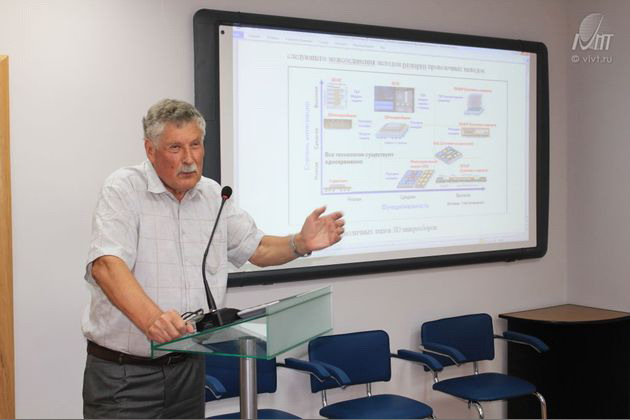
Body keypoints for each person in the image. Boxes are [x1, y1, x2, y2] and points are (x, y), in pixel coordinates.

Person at [81, 99, 345, 419]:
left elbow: (257, 248)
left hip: (188, 370)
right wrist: (153, 319)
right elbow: (107, 266)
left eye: (195, 145)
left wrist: (300, 243)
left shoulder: (211, 195)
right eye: (175, 147)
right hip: (125, 376)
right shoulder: (123, 189)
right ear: (150, 150)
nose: (189, 158)